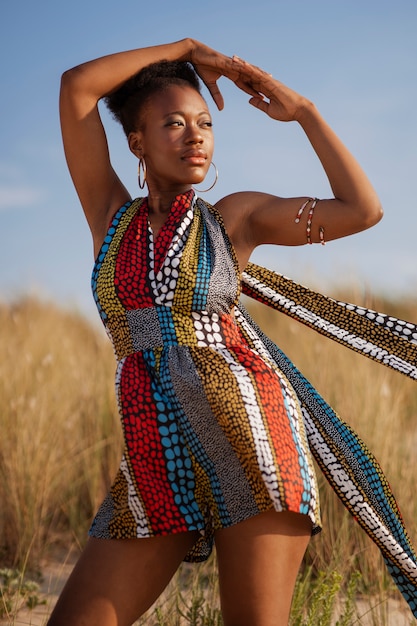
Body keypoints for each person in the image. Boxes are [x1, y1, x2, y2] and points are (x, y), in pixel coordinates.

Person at [51, 38, 388, 626]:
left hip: (253, 441)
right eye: (174, 123)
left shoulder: (233, 219)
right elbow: (77, 85)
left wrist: (303, 111)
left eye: (205, 123)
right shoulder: (110, 217)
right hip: (155, 453)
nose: (196, 135)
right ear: (137, 141)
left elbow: (362, 210)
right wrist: (187, 48)